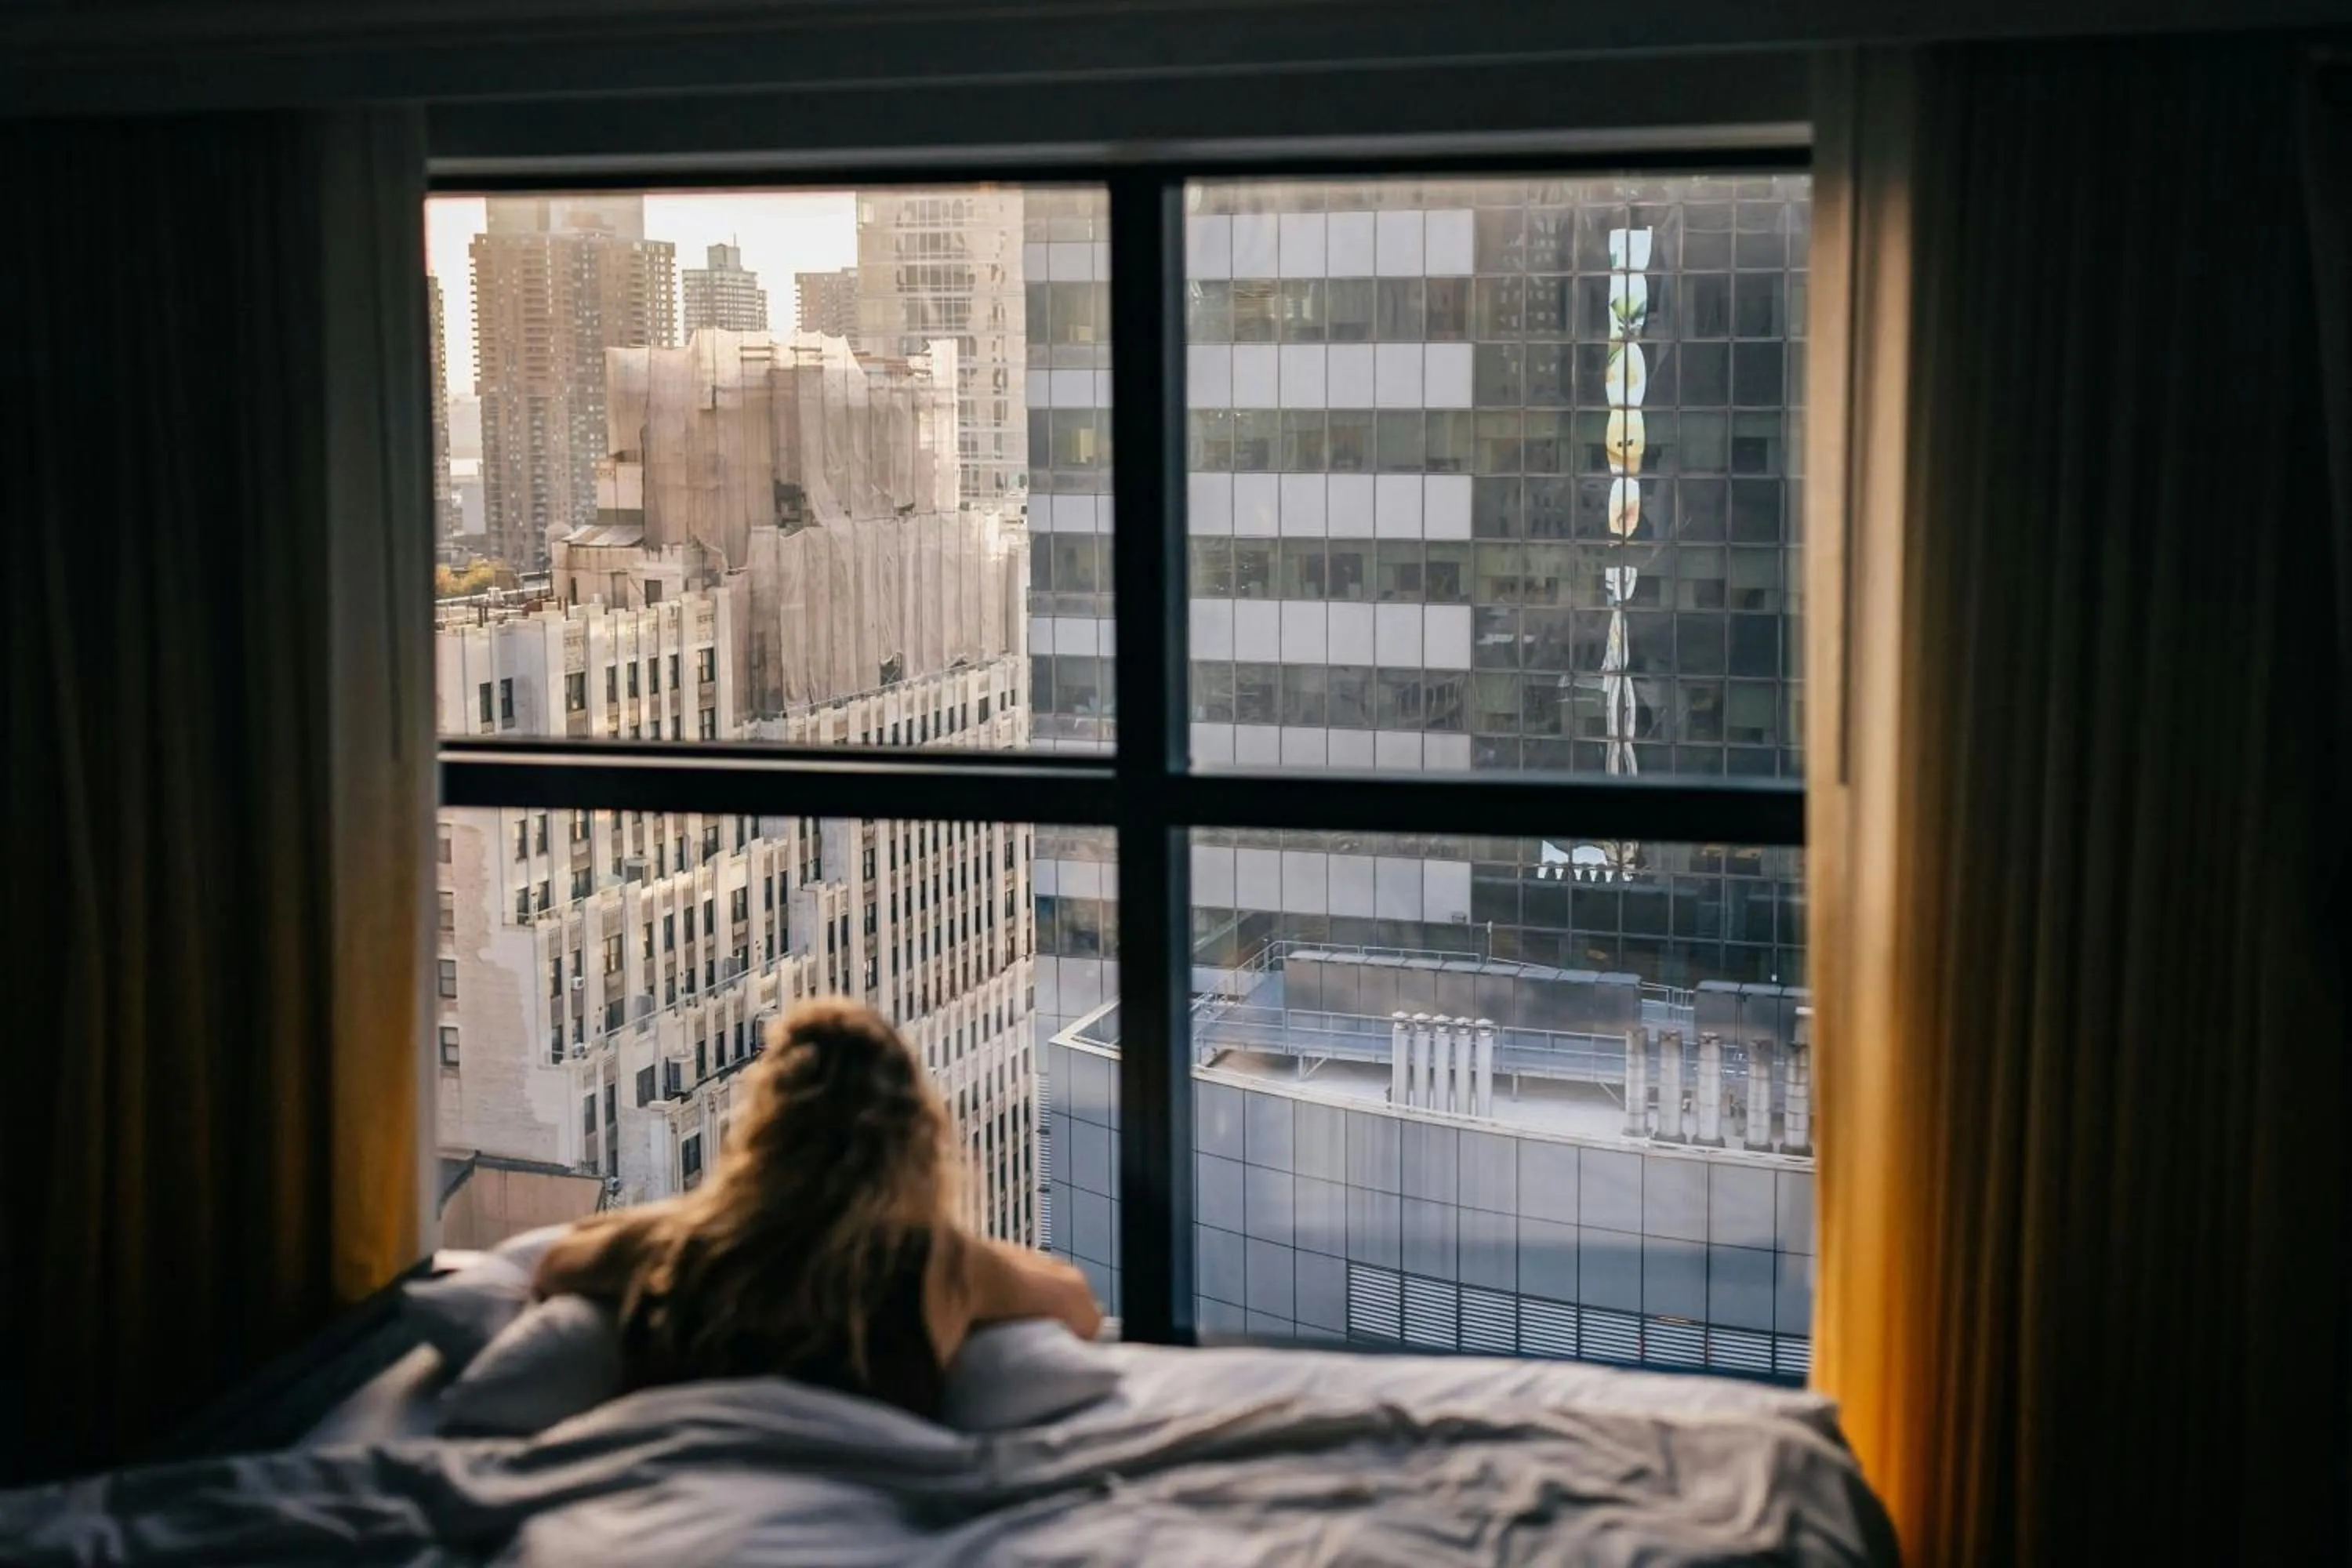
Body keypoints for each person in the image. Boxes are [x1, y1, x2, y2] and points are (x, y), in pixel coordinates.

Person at [532, 998, 1102, 1420]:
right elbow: (1078, 1308)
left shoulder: (677, 1241)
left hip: (687, 1498)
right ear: (914, 1135)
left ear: (763, 1126)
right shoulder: (935, 1262)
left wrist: (684, 1216)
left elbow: (556, 1265)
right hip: (859, 1500)